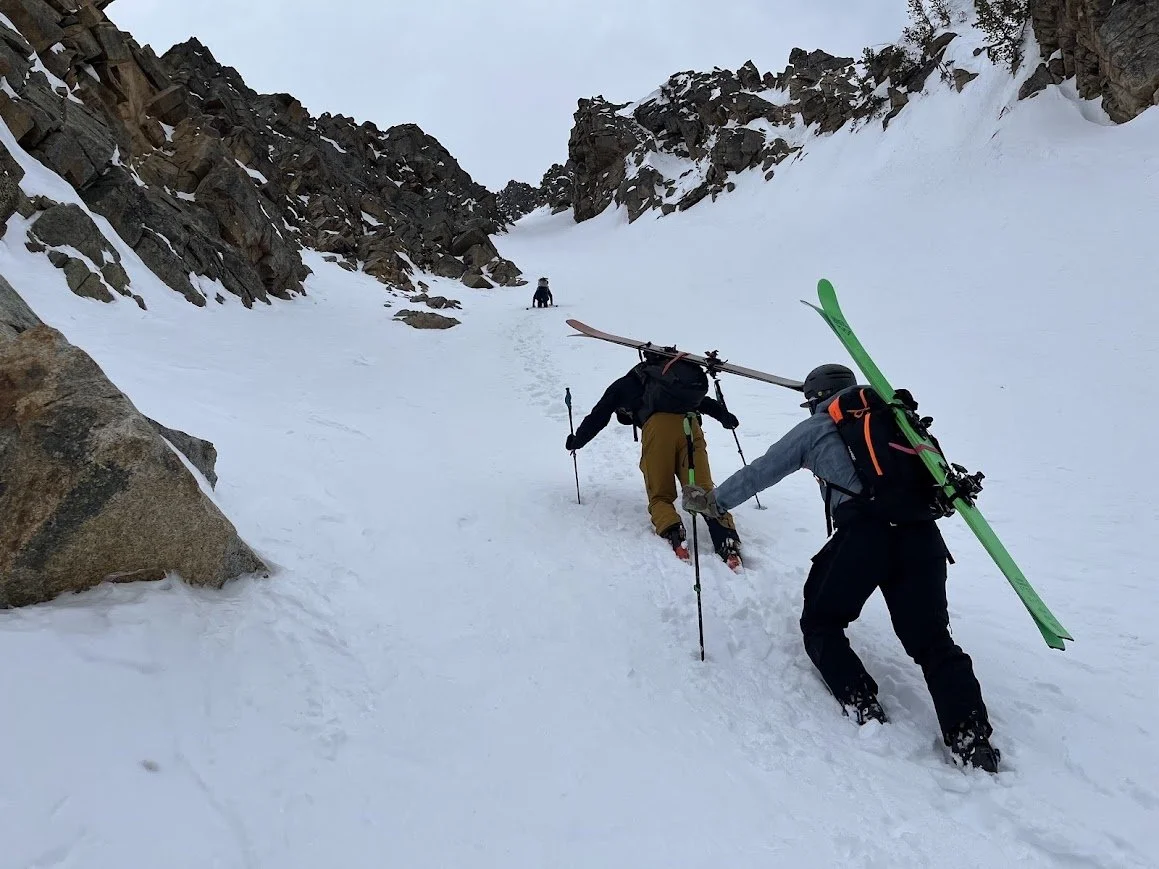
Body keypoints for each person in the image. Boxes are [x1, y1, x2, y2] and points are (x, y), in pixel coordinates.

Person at [680, 363, 1001, 773]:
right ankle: (971, 738)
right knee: (933, 641)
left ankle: (860, 700)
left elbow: (763, 469)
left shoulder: (816, 427)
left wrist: (712, 502)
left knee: (821, 621)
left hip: (864, 536)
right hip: (922, 537)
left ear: (815, 397)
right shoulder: (896, 416)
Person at [566, 349, 743, 569]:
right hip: (691, 426)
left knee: (660, 495)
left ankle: (675, 535)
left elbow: (598, 416)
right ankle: (728, 544)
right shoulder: (670, 384)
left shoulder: (624, 385)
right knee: (702, 491)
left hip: (658, 431)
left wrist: (577, 441)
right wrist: (725, 417)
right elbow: (702, 402)